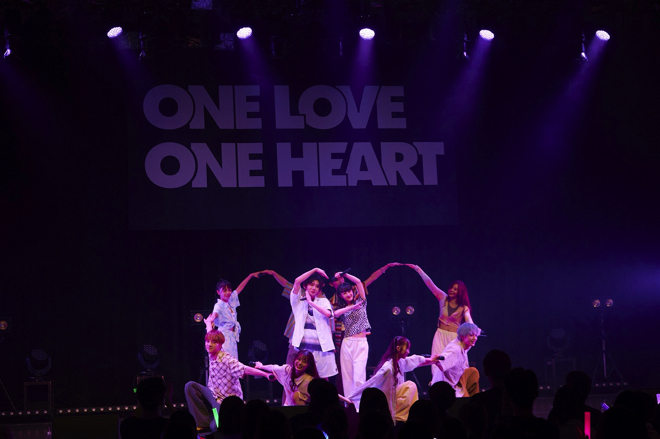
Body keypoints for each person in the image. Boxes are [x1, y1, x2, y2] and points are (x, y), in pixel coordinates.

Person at [184, 329, 275, 435]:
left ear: (220, 345)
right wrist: (208, 323)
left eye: (214, 342)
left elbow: (245, 369)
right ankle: (202, 423)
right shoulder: (211, 354)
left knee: (216, 427)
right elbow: (210, 334)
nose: (209, 344)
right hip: (213, 395)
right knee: (190, 386)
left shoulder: (227, 360)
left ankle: (215, 422)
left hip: (226, 401)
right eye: (207, 341)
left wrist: (266, 374)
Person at [404, 264, 475, 385]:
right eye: (451, 288)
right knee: (436, 360)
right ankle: (437, 384)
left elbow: (469, 320)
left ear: (460, 292)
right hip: (440, 335)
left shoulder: (464, 307)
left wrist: (473, 328)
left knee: (456, 362)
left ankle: (457, 387)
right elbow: (430, 284)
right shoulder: (443, 298)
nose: (451, 290)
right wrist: (418, 269)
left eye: (455, 289)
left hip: (455, 338)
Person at [348, 336, 441, 423]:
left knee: (410, 388)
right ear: (398, 348)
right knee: (410, 385)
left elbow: (416, 361)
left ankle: (408, 416)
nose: (408, 351)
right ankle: (398, 417)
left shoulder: (400, 362)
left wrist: (431, 360)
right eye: (406, 348)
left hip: (395, 397)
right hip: (389, 400)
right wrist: (351, 397)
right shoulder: (388, 368)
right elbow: (371, 383)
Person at [204, 271, 266, 360]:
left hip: (232, 337)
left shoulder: (230, 300)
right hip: (224, 337)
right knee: (227, 361)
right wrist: (211, 320)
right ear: (218, 292)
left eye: (229, 290)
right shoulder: (218, 305)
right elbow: (215, 313)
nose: (228, 292)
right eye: (224, 290)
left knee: (233, 362)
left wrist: (250, 275)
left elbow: (239, 289)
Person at [290, 267, 338, 379]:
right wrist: (315, 270)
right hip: (304, 347)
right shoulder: (297, 301)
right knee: (304, 378)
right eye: (311, 284)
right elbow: (297, 281)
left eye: (317, 286)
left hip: (322, 346)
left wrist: (312, 303)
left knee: (323, 378)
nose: (314, 288)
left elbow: (328, 314)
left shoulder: (323, 301)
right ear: (305, 286)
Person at [335, 271, 371, 398]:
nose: (348, 294)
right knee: (347, 378)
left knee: (359, 377)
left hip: (361, 343)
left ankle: (359, 405)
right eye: (344, 293)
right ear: (341, 296)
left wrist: (345, 275)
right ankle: (349, 405)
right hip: (347, 344)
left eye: (349, 291)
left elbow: (358, 282)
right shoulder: (343, 309)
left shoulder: (361, 302)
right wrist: (350, 308)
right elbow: (335, 314)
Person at [253, 349, 320, 406]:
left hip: (304, 411)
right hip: (290, 408)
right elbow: (273, 367)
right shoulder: (287, 370)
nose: (300, 363)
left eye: (304, 361)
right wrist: (261, 366)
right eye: (299, 359)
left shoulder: (309, 381)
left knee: (295, 395)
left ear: (308, 365)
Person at [435, 322, 481, 397]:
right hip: (448, 386)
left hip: (457, 378)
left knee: (473, 372)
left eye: (476, 335)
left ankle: (475, 399)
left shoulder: (464, 345)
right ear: (462, 336)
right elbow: (442, 361)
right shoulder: (455, 349)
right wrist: (433, 360)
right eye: (471, 335)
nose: (474, 338)